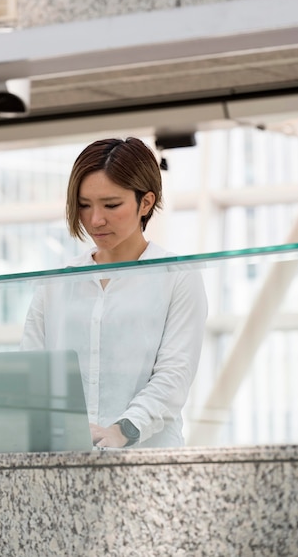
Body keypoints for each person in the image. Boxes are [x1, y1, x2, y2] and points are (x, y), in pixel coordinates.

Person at [20, 137, 207, 448]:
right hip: (66, 461)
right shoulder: (55, 283)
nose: (95, 220)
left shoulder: (178, 277)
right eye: (84, 205)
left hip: (148, 464)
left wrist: (123, 431)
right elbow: (31, 372)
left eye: (111, 205)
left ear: (145, 203)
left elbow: (174, 376)